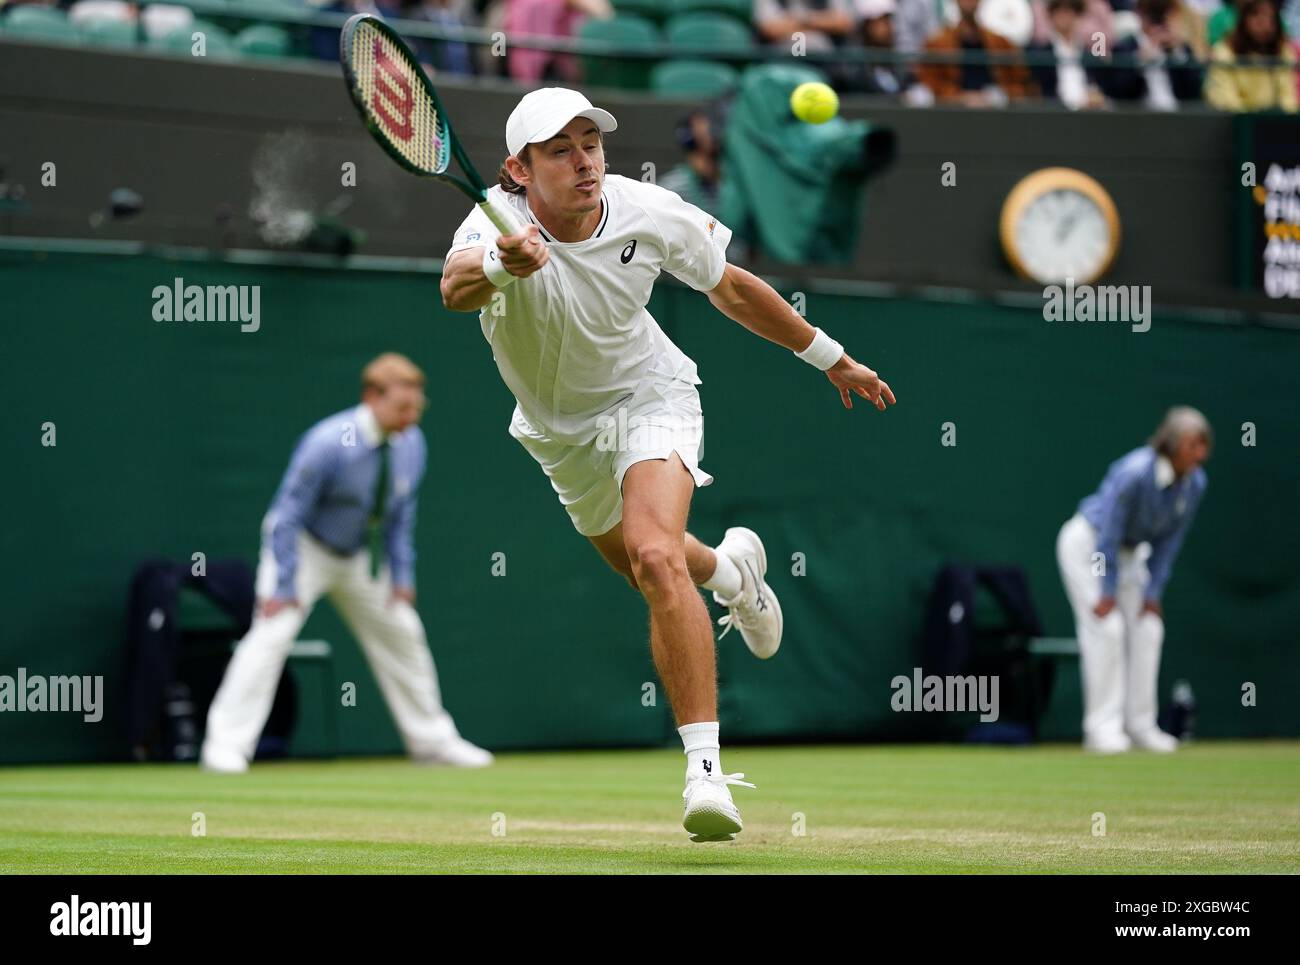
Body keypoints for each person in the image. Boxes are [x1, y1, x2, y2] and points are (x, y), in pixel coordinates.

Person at [440, 88, 896, 841]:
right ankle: (730, 572)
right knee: (648, 563)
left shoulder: (648, 209)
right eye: (561, 150)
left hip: (650, 394)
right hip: (560, 434)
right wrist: (498, 259)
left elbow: (733, 287)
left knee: (655, 557)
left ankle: (706, 773)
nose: (584, 160)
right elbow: (455, 288)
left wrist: (829, 357)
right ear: (517, 170)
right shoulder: (491, 220)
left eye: (592, 143)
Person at [200, 354, 492, 773]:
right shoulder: (328, 442)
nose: (411, 416)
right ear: (372, 397)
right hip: (302, 550)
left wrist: (401, 577)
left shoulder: (412, 444)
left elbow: (399, 517)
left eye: (417, 407)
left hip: (357, 556)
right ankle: (225, 746)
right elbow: (286, 515)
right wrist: (284, 586)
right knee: (271, 635)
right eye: (401, 407)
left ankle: (432, 742)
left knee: (404, 631)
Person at [1055, 407, 1211, 754]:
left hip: (1129, 556)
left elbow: (1169, 543)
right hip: (1088, 548)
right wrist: (1106, 591)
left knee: (1149, 628)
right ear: (1171, 444)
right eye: (1192, 445)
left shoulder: (1196, 483)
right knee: (1107, 627)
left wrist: (1152, 592)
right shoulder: (1134, 473)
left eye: (1203, 446)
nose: (1200, 454)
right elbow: (1107, 535)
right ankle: (1101, 730)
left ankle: (1140, 725)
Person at [917, 0, 1033, 105]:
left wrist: (997, 96)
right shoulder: (937, 43)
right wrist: (960, 97)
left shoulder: (1000, 43)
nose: (969, 2)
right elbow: (929, 85)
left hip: (995, 116)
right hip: (952, 116)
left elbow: (1022, 83)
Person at [1101, 0, 1204, 110]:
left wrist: (1176, 53)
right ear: (1140, 13)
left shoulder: (1181, 49)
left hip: (1179, 118)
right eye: (1152, 14)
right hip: (1140, 120)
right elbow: (1119, 94)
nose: (1158, 20)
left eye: (1164, 14)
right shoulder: (1125, 48)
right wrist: (1140, 62)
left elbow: (1195, 93)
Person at [1205, 0, 1298, 111]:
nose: (1264, 24)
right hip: (1234, 124)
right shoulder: (1223, 53)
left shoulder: (1282, 52)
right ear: (1243, 19)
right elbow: (1227, 102)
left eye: (1270, 18)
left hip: (1273, 123)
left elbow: (1288, 99)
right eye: (1255, 15)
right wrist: (1250, 122)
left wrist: (1288, 121)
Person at [1027, 0, 1108, 109]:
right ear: (1051, 15)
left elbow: (1098, 87)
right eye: (1059, 10)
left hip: (1088, 115)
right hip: (1055, 115)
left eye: (1071, 10)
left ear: (1078, 15)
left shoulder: (1088, 53)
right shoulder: (1040, 52)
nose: (1065, 15)